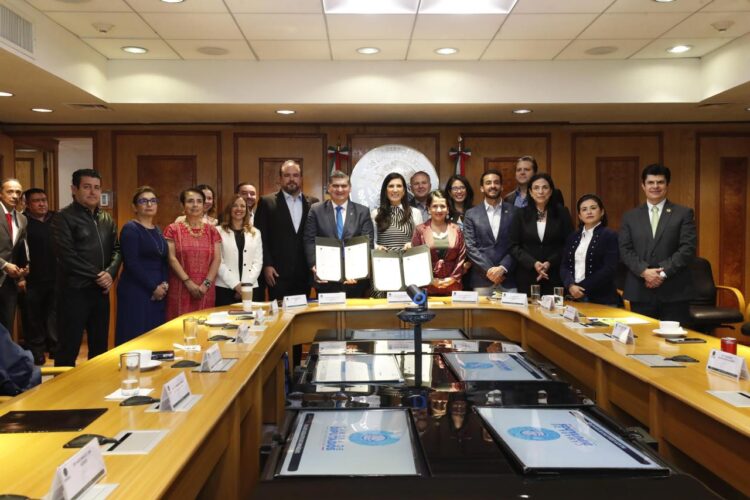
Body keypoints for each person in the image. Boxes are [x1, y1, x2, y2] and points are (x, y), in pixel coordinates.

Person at [52, 169, 121, 366]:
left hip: (101, 292)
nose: (93, 192)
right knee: (68, 348)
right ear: (74, 189)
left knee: (100, 348)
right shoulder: (63, 217)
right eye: (87, 187)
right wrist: (98, 275)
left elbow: (117, 249)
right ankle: (63, 386)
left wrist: (110, 274)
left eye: (97, 188)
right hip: (74, 292)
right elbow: (66, 255)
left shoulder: (106, 218)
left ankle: (97, 384)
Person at [619, 164, 696, 324]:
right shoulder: (630, 216)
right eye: (651, 182)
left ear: (667, 185)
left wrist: (661, 273)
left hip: (674, 291)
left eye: (660, 182)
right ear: (643, 185)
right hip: (640, 290)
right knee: (642, 338)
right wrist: (644, 271)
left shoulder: (683, 213)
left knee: (674, 339)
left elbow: (687, 249)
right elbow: (625, 250)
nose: (655, 186)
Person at [303, 171, 374, 297]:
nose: (340, 189)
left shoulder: (362, 212)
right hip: (325, 279)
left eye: (344, 186)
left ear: (350, 188)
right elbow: (309, 240)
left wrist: (358, 271)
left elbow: (368, 243)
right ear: (329, 188)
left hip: (355, 280)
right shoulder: (316, 210)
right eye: (335, 186)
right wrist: (314, 265)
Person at [254, 160, 318, 300]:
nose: (291, 179)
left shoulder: (314, 203)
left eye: (295, 175)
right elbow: (260, 238)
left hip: (304, 273)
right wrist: (267, 265)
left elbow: (316, 238)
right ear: (280, 178)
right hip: (277, 273)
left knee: (303, 311)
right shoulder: (267, 202)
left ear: (301, 178)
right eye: (287, 175)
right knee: (278, 311)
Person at [115, 187, 169, 345]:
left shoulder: (157, 230)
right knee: (135, 337)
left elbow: (163, 259)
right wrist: (153, 288)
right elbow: (132, 263)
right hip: (137, 290)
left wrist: (164, 284)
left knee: (154, 338)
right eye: (143, 201)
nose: (149, 204)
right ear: (134, 207)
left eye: (153, 201)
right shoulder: (130, 229)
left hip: (158, 292)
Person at [509, 172, 573, 296]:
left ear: (551, 191)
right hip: (527, 275)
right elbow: (513, 245)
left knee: (555, 308)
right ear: (530, 192)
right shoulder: (520, 214)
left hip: (554, 274)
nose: (541, 191)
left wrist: (550, 262)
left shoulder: (562, 213)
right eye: (536, 188)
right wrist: (533, 263)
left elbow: (569, 244)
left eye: (545, 187)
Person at [164, 188, 222, 319]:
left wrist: (206, 284)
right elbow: (171, 258)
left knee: (205, 325)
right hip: (180, 286)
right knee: (179, 326)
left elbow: (217, 259)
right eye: (190, 201)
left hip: (205, 289)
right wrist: (188, 282)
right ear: (183, 205)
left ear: (203, 205)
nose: (195, 205)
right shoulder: (172, 229)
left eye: (199, 201)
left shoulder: (212, 231)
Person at [560, 194, 620, 306]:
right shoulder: (572, 237)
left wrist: (581, 288)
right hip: (573, 295)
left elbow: (610, 268)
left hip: (601, 298)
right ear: (579, 215)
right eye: (584, 209)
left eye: (593, 208)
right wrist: (570, 285)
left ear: (602, 212)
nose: (589, 212)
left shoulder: (610, 235)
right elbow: (564, 266)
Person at [463, 169, 517, 293]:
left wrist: (503, 268)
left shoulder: (515, 212)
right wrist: (490, 270)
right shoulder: (471, 214)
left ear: (502, 186)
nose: (492, 186)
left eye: (496, 182)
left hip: (508, 278)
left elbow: (517, 245)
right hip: (481, 279)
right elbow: (470, 247)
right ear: (482, 188)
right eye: (488, 183)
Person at [21, 188, 57, 364]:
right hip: (32, 279)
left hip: (56, 277)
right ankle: (37, 352)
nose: (42, 204)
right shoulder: (22, 221)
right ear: (27, 204)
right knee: (32, 318)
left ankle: (55, 348)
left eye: (44, 200)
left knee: (55, 316)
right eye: (36, 201)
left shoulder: (57, 219)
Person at [411, 190, 466, 296]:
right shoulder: (420, 230)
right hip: (427, 286)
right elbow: (415, 260)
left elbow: (461, 256)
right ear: (428, 209)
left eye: (443, 206)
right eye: (435, 206)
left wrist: (453, 278)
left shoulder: (456, 229)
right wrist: (431, 279)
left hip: (452, 286)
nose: (439, 210)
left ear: (448, 209)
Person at [215, 195, 263, 306]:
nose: (239, 209)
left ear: (246, 210)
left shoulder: (255, 232)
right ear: (229, 209)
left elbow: (258, 262)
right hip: (225, 287)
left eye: (242, 206)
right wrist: (236, 285)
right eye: (235, 206)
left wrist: (245, 287)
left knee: (250, 316)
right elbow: (218, 261)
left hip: (251, 287)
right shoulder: (218, 231)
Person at [0, 178, 28, 334]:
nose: (15, 195)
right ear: (1, 193)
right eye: (10, 191)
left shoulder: (22, 219)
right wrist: (4, 265)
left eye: (18, 192)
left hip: (9, 282)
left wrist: (22, 272)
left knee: (6, 328)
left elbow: (20, 248)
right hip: (4, 270)